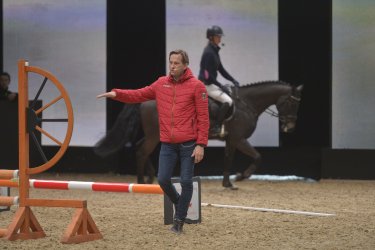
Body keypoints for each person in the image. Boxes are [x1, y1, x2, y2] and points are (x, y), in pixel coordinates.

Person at [97, 49, 209, 234]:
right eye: (171, 62)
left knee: (186, 182)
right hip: (168, 144)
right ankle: (181, 204)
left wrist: (201, 145)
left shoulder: (197, 86)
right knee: (163, 179)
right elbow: (138, 94)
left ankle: (178, 222)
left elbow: (203, 118)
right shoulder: (160, 83)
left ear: (185, 65)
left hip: (188, 144)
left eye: (176, 63)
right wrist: (117, 94)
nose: (172, 66)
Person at [198, 25, 240, 137]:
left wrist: (233, 80)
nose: (220, 39)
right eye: (218, 37)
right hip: (205, 84)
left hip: (211, 83)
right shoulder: (208, 53)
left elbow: (221, 69)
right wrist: (221, 85)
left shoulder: (214, 51)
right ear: (211, 37)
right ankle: (216, 126)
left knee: (229, 94)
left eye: (220, 37)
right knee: (228, 101)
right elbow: (207, 75)